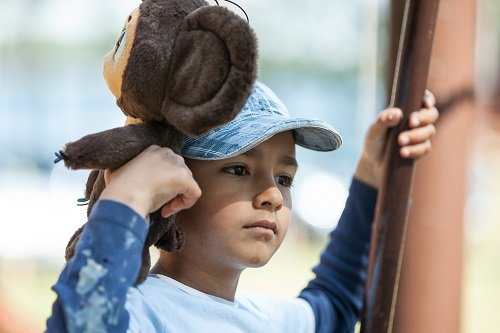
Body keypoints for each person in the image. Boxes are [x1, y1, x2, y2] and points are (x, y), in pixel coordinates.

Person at [46, 81, 438, 332]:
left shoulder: (266, 321)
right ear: (170, 188)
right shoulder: (139, 312)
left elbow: (334, 305)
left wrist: (372, 171)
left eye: (285, 178)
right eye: (238, 168)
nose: (272, 193)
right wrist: (128, 197)